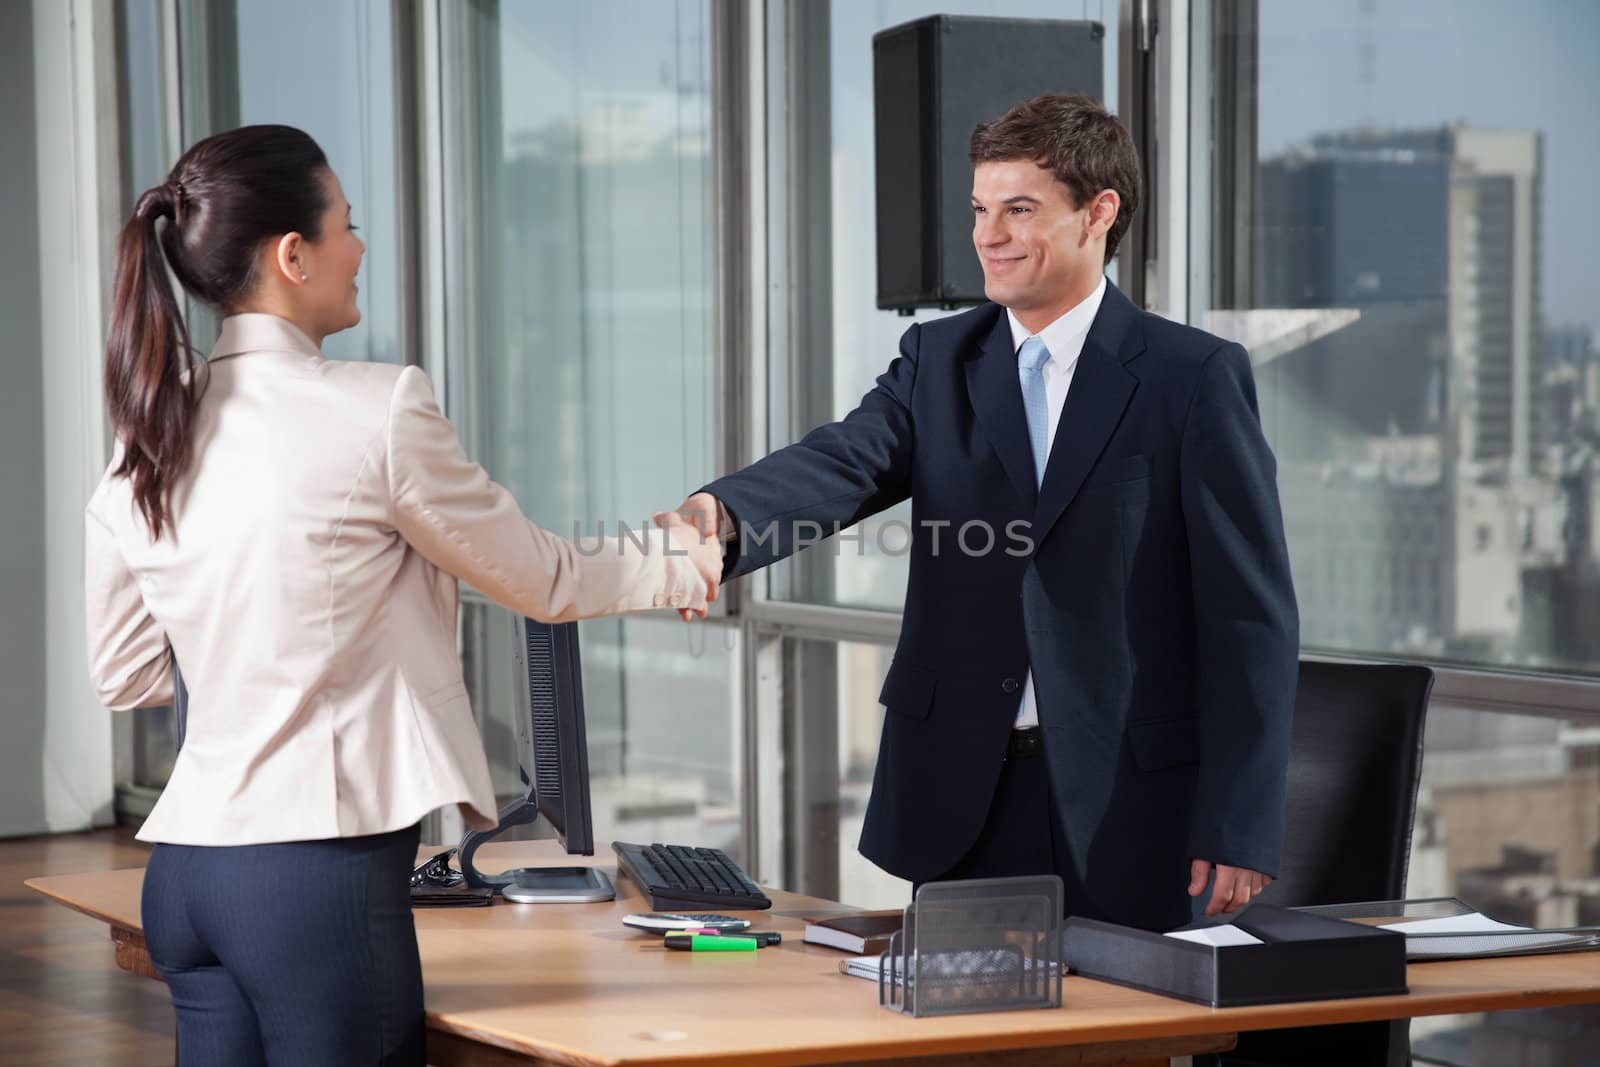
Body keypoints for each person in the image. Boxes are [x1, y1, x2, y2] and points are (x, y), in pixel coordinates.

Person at [84, 124, 719, 1067]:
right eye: (346, 221)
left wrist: (260, 648)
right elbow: (540, 575)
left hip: (187, 879)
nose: (361, 245)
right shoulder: (374, 407)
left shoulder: (152, 432)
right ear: (292, 255)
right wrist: (685, 560)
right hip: (312, 875)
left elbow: (128, 669)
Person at [670, 94, 1298, 932]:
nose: (988, 234)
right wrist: (721, 513)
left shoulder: (1193, 378)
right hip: (960, 793)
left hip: (1129, 805)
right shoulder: (938, 359)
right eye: (979, 209)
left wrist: (1240, 822)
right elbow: (845, 461)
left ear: (1097, 214)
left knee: (1113, 1052)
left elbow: (1249, 617)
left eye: (1019, 209)